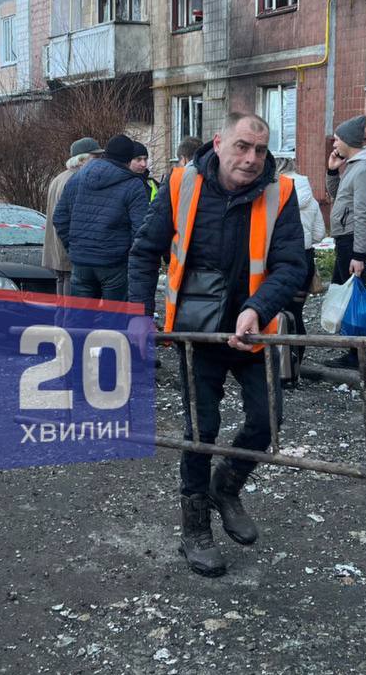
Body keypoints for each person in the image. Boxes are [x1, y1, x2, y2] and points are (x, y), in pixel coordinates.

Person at [129, 113, 307, 577]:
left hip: (252, 333)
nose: (251, 159)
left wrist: (257, 308)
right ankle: (195, 529)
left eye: (261, 150)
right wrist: (136, 317)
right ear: (219, 142)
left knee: (267, 422)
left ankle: (225, 486)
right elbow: (145, 251)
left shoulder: (280, 193)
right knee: (200, 430)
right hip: (197, 335)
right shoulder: (180, 185)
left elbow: (291, 266)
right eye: (242, 146)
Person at [53, 134, 150, 302]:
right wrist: (129, 257)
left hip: (81, 261)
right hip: (114, 263)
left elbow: (59, 218)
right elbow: (141, 229)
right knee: (112, 321)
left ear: (106, 154)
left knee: (80, 321)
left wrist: (74, 247)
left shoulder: (78, 177)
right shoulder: (134, 185)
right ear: (128, 159)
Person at [324, 115, 366, 369]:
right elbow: (340, 200)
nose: (334, 143)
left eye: (337, 139)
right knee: (344, 294)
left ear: (347, 140)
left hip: (353, 243)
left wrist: (358, 255)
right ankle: (353, 352)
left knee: (351, 298)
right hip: (347, 240)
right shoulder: (355, 166)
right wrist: (332, 171)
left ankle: (357, 355)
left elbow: (363, 214)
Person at [276, 157, 326, 380]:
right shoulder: (312, 200)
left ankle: (282, 368)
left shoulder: (276, 194)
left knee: (279, 315)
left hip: (281, 261)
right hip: (305, 261)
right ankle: (296, 363)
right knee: (296, 313)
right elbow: (319, 235)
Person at [42, 136, 102, 297]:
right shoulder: (76, 180)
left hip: (56, 242)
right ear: (82, 160)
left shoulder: (59, 178)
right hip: (68, 242)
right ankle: (68, 320)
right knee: (69, 281)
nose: (99, 161)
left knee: (61, 280)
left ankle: (61, 320)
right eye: (95, 157)